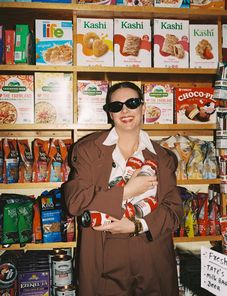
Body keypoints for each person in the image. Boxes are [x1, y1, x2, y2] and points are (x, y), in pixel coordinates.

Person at [63, 81, 183, 296]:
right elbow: (75, 201)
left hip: (152, 251)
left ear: (143, 108)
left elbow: (174, 211)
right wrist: (127, 191)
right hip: (105, 251)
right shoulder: (88, 150)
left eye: (132, 103)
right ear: (110, 113)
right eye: (116, 106)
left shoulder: (163, 157)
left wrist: (136, 225)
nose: (125, 111)